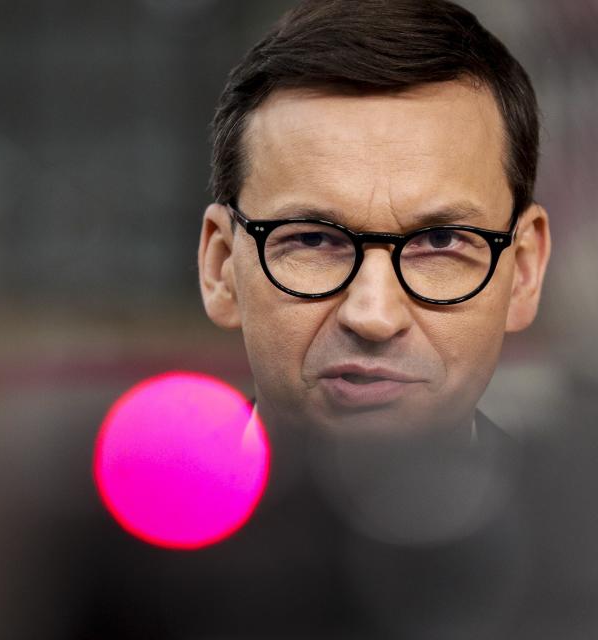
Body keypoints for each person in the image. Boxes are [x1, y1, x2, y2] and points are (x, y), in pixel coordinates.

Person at [197, 0, 550, 444]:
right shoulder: (126, 513)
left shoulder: (595, 515)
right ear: (221, 267)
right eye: (312, 239)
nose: (374, 317)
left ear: (524, 271)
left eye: (441, 241)